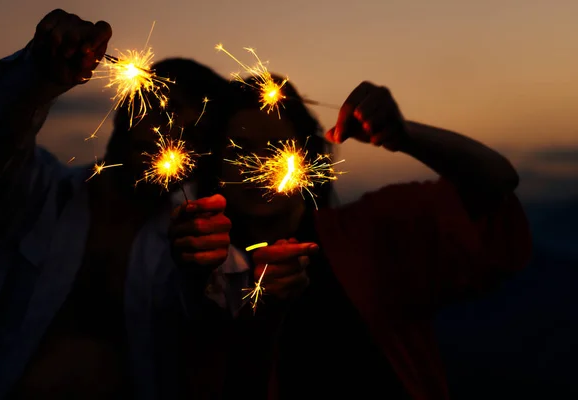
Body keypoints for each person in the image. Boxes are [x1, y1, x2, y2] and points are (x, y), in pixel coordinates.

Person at [0, 9, 274, 400]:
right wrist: (37, 74)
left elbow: (221, 319)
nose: (168, 136)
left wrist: (203, 272)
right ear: (125, 105)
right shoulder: (38, 194)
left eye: (194, 131)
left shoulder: (200, 248)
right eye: (163, 110)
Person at [195, 76, 532, 399]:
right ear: (214, 165)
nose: (258, 163)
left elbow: (497, 181)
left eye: (276, 146)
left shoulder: (372, 232)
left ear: (309, 156)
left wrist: (405, 135)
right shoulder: (195, 276)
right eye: (239, 149)